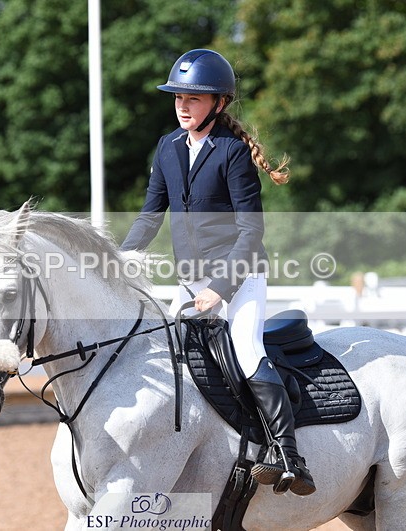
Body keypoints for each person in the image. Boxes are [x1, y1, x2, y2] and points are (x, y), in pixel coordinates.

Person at [121, 49, 315, 496]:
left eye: (194, 98)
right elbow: (151, 216)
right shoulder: (167, 147)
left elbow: (252, 231)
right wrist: (118, 258)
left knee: (245, 353)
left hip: (240, 277)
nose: (183, 105)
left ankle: (289, 455)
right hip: (189, 283)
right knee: (159, 357)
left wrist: (221, 291)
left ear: (219, 104)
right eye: (178, 98)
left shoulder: (231, 153)